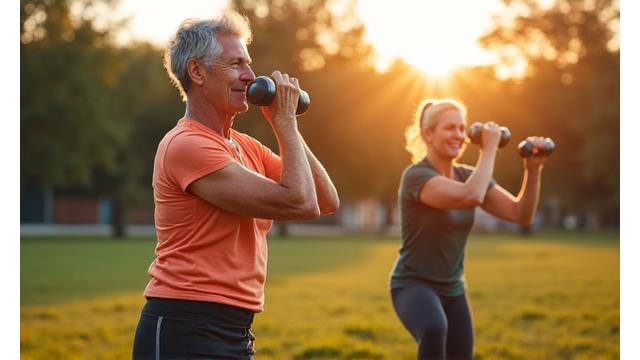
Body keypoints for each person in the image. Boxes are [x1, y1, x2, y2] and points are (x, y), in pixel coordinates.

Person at [132, 10, 339, 359]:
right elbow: (299, 203)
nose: (249, 75)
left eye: (249, 64)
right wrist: (286, 122)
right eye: (236, 64)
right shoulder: (187, 145)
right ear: (197, 72)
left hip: (236, 329)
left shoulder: (245, 146)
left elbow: (325, 199)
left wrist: (284, 124)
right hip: (184, 328)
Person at [389, 98, 548, 359]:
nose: (460, 135)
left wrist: (533, 171)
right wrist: (489, 149)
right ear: (428, 133)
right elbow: (469, 196)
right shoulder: (416, 176)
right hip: (413, 284)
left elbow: (521, 214)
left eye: (463, 129)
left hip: (454, 288)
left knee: (462, 354)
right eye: (450, 128)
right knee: (433, 328)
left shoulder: (468, 176)